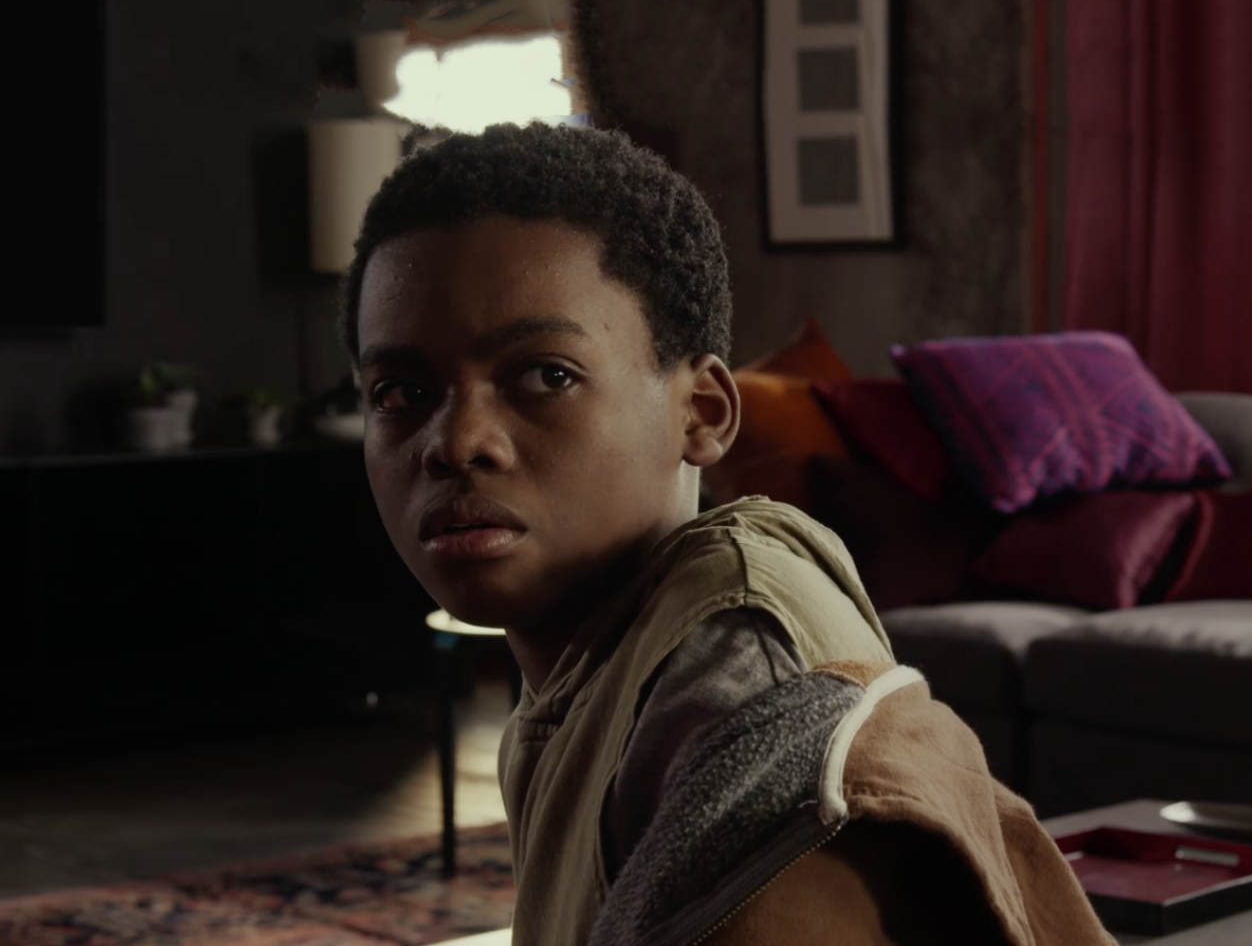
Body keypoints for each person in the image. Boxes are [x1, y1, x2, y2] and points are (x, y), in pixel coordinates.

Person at [340, 122, 1114, 946]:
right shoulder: (582, 666)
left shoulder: (741, 685)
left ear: (701, 413)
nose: (457, 443)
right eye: (400, 393)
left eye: (545, 375)